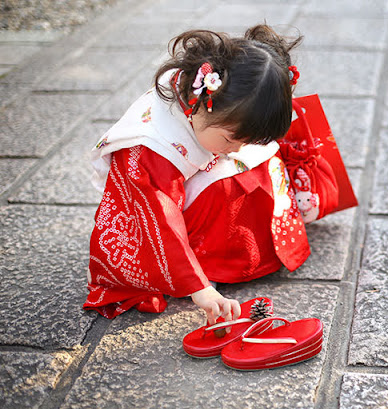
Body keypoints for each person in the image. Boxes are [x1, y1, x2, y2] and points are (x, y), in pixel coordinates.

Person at [84, 25, 310, 326]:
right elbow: (159, 221)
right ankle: (208, 263)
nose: (238, 148)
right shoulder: (149, 148)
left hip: (192, 177)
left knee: (258, 161)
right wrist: (200, 289)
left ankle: (234, 253)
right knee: (228, 183)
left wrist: (236, 144)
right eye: (231, 139)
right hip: (153, 205)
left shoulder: (215, 109)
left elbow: (241, 141)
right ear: (202, 104)